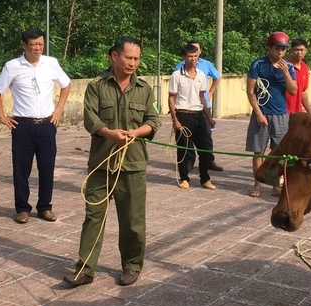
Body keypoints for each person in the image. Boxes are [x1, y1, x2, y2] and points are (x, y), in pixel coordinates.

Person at [63, 36, 161, 287]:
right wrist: (108, 133)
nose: (132, 63)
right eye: (128, 57)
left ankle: (132, 265)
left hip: (133, 164)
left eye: (136, 59)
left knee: (132, 221)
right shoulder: (97, 86)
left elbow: (153, 120)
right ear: (113, 56)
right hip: (101, 164)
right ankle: (84, 269)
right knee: (93, 216)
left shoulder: (144, 88)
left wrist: (137, 133)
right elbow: (90, 119)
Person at [0, 28, 71, 224]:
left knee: (47, 167)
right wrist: (2, 116)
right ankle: (22, 208)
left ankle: (45, 207)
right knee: (21, 169)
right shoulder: (12, 66)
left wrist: (59, 109)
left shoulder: (51, 63)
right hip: (23, 126)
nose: (37, 48)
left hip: (47, 124)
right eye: (34, 44)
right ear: (24, 45)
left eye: (41, 44)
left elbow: (66, 84)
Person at [246, 31, 297, 198]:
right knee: (258, 150)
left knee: (278, 152)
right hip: (262, 112)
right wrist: (258, 113)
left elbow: (293, 90)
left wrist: (286, 74)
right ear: (270, 47)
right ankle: (257, 183)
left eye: (283, 49)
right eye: (277, 48)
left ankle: (275, 184)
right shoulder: (258, 64)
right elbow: (250, 91)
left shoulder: (288, 67)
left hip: (280, 114)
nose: (280, 52)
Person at [169, 43, 217, 190]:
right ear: (184, 57)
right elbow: (171, 98)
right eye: (190, 56)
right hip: (183, 114)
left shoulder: (201, 75)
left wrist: (209, 117)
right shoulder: (176, 75)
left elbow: (202, 97)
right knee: (183, 149)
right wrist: (175, 120)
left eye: (195, 56)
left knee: (205, 148)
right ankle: (184, 178)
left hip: (199, 114)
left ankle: (205, 178)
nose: (193, 59)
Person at [174, 40, 223, 171]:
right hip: (185, 109)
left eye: (196, 51)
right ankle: (189, 162)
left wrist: (210, 92)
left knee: (206, 137)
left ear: (200, 51)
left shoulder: (205, 66)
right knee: (186, 139)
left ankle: (209, 161)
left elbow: (217, 77)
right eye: (190, 53)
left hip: (202, 107)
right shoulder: (179, 68)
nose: (193, 57)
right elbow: (174, 92)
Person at [285, 38, 311, 115]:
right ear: (291, 51)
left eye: (301, 50)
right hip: (284, 112)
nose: (299, 52)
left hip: (298, 113)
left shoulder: (304, 67)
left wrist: (309, 112)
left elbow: (302, 92)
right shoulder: (285, 67)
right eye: (296, 50)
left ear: (306, 51)